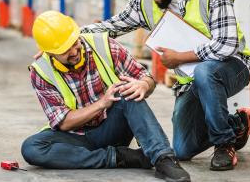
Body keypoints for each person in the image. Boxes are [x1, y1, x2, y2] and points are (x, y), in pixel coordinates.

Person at [81, 0, 250, 171]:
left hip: (233, 66)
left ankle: (224, 145)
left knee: (206, 71)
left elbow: (227, 45)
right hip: (191, 80)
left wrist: (180, 58)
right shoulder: (146, 1)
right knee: (182, 149)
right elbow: (113, 26)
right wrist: (68, 38)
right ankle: (239, 124)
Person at [21, 11, 191, 182]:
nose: (74, 51)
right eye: (64, 50)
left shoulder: (104, 46)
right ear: (49, 53)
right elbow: (63, 123)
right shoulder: (41, 71)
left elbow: (145, 77)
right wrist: (102, 103)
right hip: (75, 137)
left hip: (111, 129)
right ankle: (120, 157)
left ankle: (164, 159)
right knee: (32, 148)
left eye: (74, 43)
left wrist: (144, 84)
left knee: (127, 91)